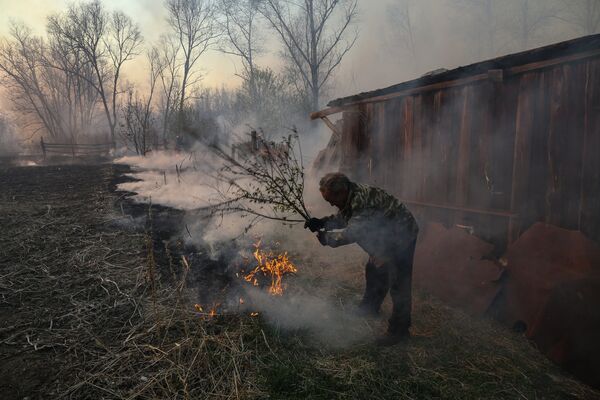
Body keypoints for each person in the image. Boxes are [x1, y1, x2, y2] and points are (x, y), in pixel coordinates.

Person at [305, 172, 419, 345]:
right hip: (386, 233)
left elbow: (354, 232)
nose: (330, 204)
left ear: (341, 191)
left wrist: (327, 239)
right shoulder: (350, 195)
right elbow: (345, 217)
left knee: (399, 282)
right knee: (373, 269)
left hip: (402, 234)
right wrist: (322, 223)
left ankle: (399, 331)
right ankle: (370, 308)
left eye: (331, 200)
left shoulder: (361, 200)